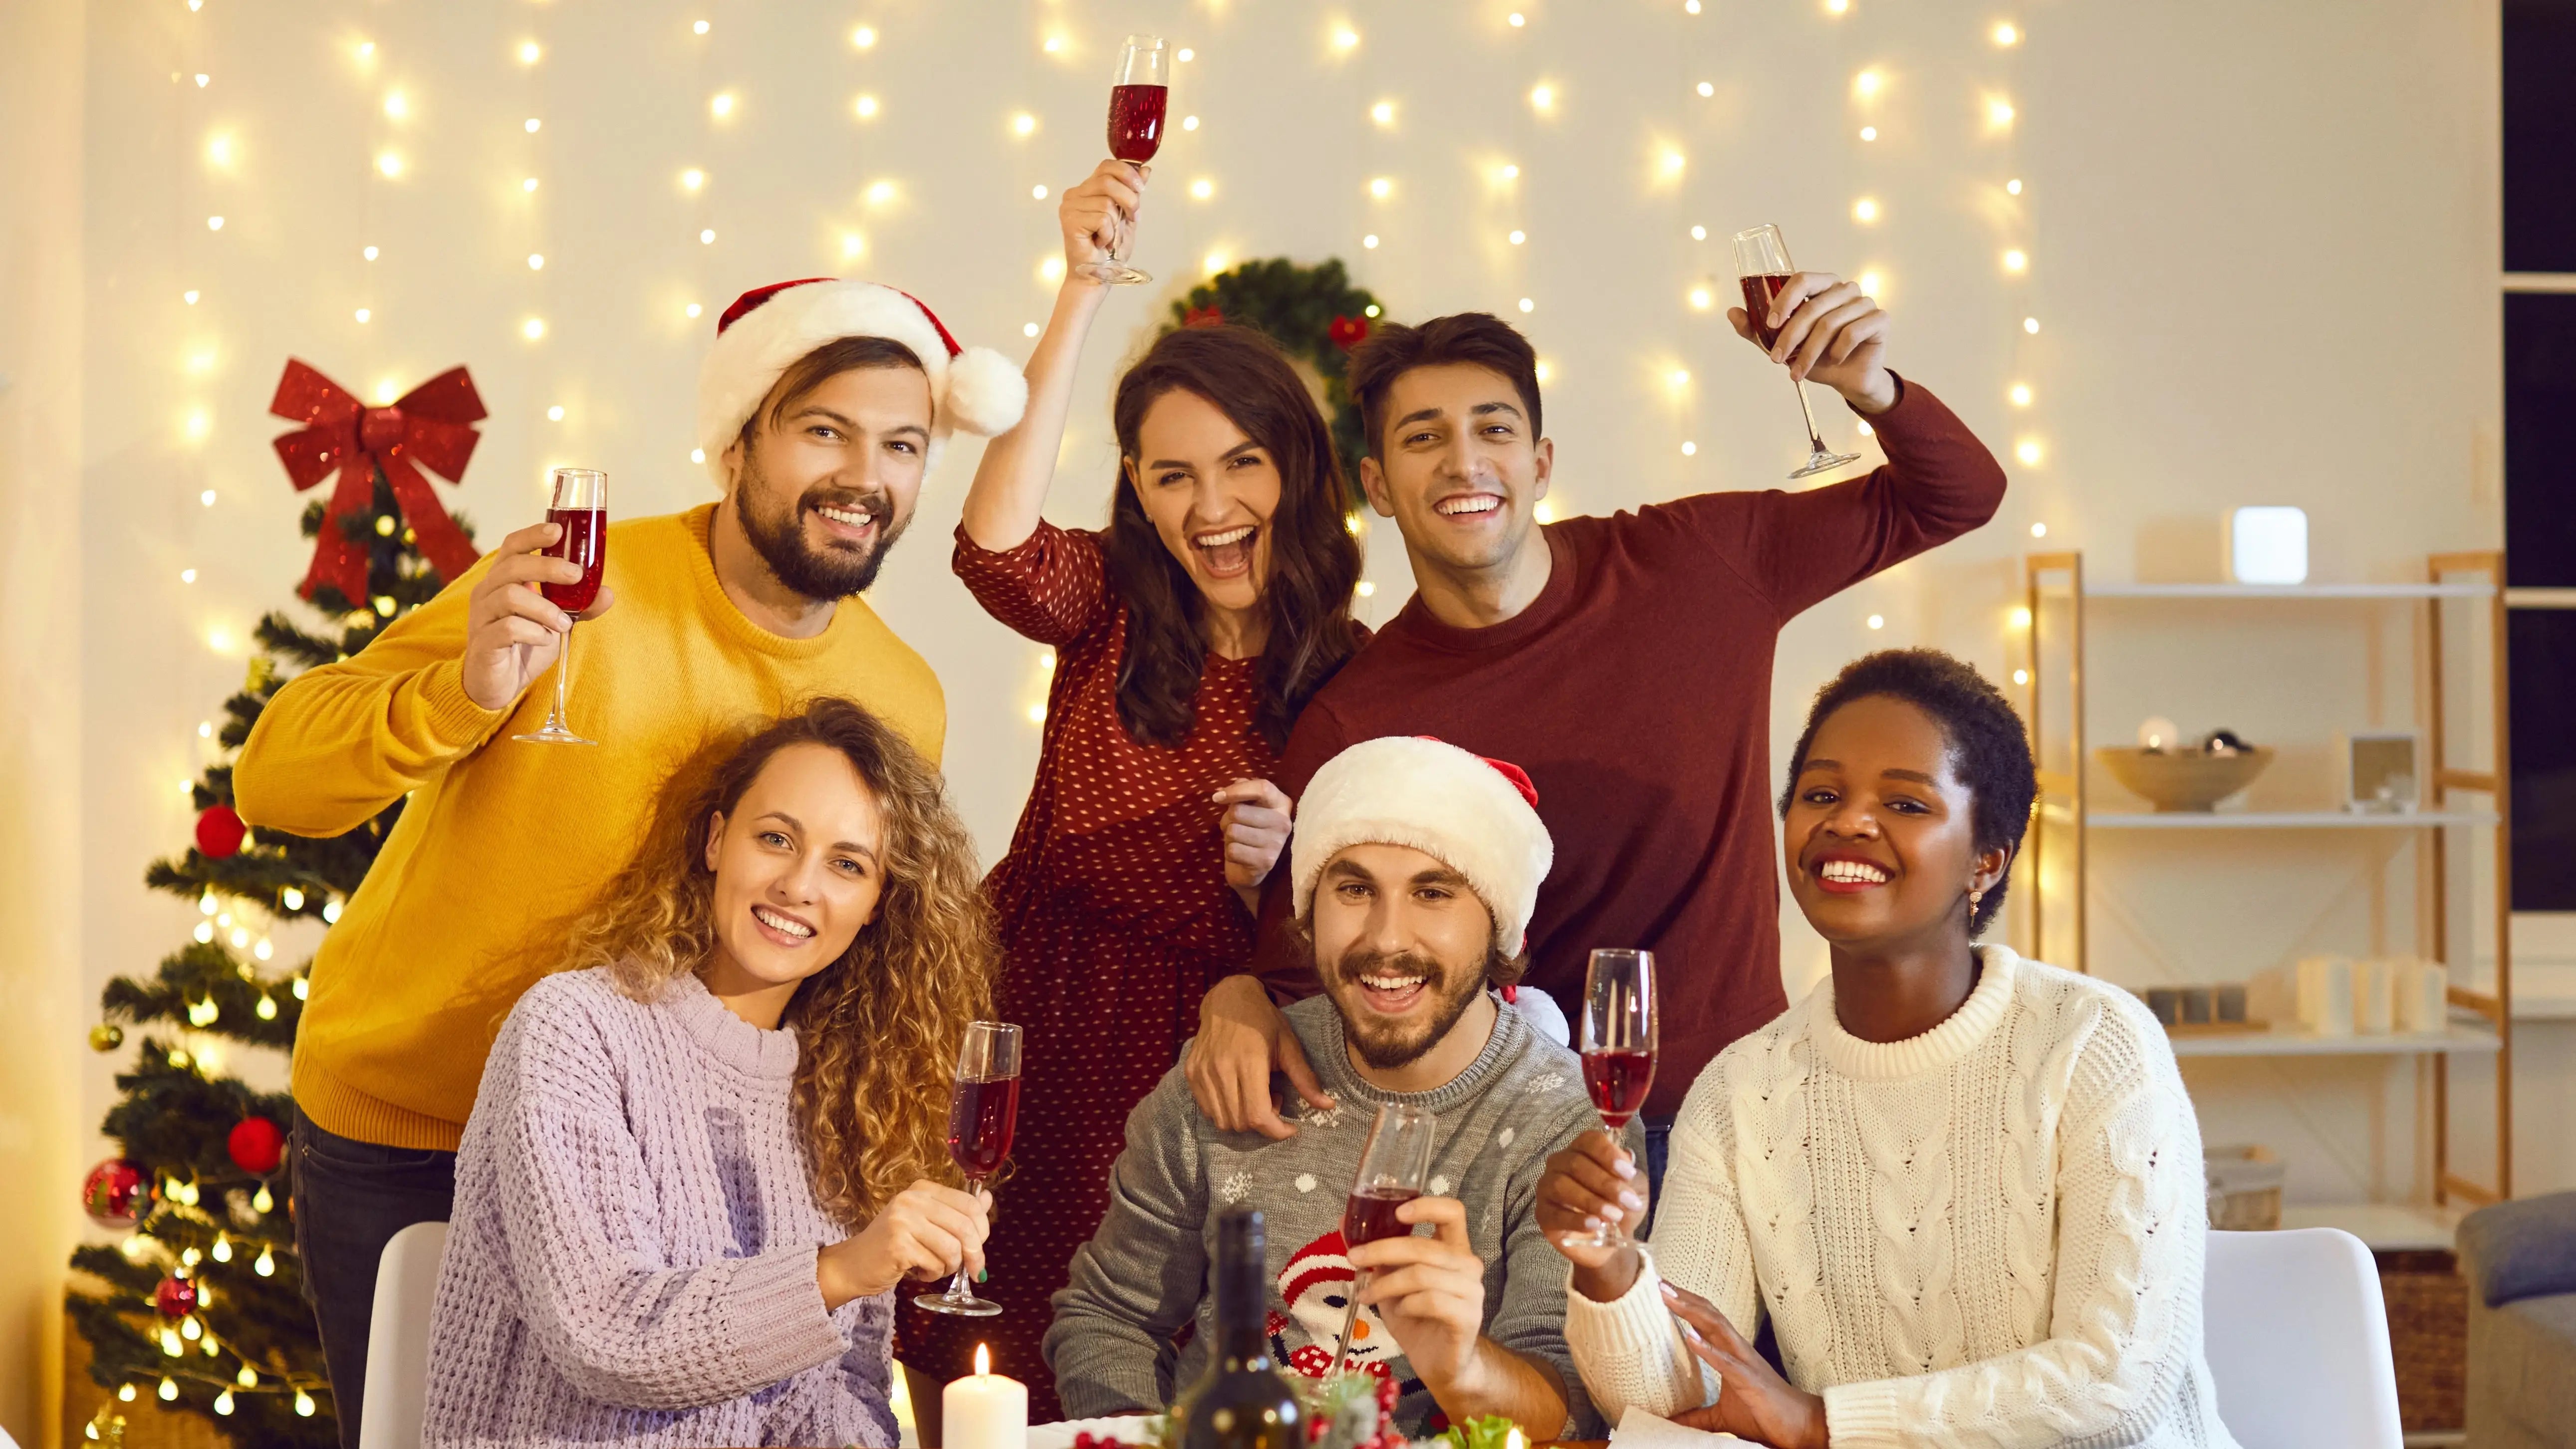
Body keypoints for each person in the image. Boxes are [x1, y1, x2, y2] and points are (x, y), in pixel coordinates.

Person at [232, 279, 1026, 1446]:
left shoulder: (900, 697)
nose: (865, 473)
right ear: (739, 439)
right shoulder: (577, 587)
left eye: (901, 444)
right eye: (824, 431)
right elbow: (274, 780)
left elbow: (855, 961)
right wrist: (459, 695)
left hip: (658, 1165)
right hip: (408, 1123)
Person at [1189, 278, 2010, 1189]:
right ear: (1379, 486)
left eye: (1493, 431)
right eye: (1424, 438)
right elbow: (1299, 967)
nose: (1464, 463)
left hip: (1750, 1121)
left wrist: (1870, 388)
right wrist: (1237, 997)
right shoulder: (1358, 717)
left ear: (1540, 463)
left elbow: (1956, 496)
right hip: (1515, 1150)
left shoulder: (1700, 564)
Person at [909, 161, 1365, 1422]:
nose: (1210, 507)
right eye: (1171, 476)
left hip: (1201, 1051)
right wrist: (1078, 293)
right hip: (1026, 1003)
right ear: (1137, 489)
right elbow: (992, 542)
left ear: (1299, 469)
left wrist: (1280, 871)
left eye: (1241, 466)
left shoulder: (1356, 671)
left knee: (1156, 1363)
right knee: (978, 1351)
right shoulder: (1112, 598)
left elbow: (1372, 915)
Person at [1541, 651, 2240, 1449]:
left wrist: (1818, 1422)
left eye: (1905, 802)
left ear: (1987, 859)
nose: (1847, 821)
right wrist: (1607, 1271)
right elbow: (1682, 1399)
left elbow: (2116, 1384)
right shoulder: (1742, 1090)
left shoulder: (2094, 1044)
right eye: (1821, 795)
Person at [422, 697, 999, 1448]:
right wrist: (843, 1271)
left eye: (847, 864)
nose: (799, 885)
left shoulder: (853, 1098)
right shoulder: (576, 1029)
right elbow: (605, 1334)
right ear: (716, 840)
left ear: (876, 904)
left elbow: (845, 1395)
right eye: (776, 838)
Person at [1047, 735, 1629, 1439]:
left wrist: (1461, 1366)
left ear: (1498, 927)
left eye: (1433, 893)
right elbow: (1109, 1319)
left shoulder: (1561, 1119)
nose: (1386, 938)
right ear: (1309, 911)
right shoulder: (1230, 1071)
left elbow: (1570, 1409)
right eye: (1354, 890)